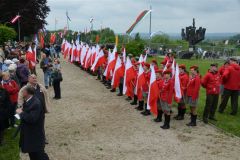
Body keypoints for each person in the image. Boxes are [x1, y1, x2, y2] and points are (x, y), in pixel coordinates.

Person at [16, 86, 49, 160]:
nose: (21, 93)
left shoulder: (35, 103)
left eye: (23, 91)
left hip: (35, 135)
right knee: (33, 154)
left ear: (26, 93)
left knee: (39, 155)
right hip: (30, 133)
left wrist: (21, 113)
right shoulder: (28, 100)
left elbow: (32, 119)